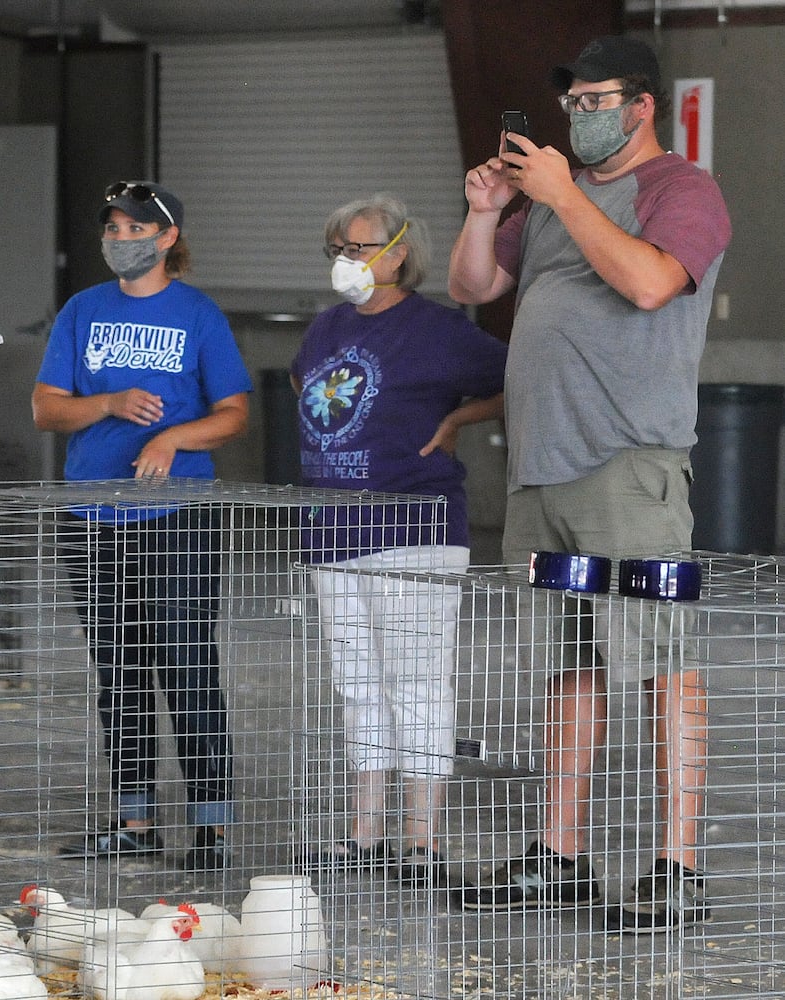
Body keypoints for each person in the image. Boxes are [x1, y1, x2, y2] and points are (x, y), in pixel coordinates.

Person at [447, 35, 731, 931]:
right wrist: (487, 209)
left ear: (643, 104)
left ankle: (678, 865)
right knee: (570, 663)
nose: (580, 116)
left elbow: (651, 285)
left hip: (627, 466)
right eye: (572, 103)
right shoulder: (545, 204)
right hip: (543, 471)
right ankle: (557, 856)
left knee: (661, 660)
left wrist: (565, 193)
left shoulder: (682, 191)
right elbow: (472, 283)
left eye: (597, 100)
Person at [31, 180, 252, 871]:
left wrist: (174, 439)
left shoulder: (198, 314)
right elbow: (45, 407)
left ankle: (210, 826)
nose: (121, 240)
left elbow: (235, 411)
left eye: (136, 230)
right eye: (113, 229)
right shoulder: (81, 310)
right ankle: (134, 819)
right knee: (117, 669)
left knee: (187, 665)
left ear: (167, 239)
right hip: (91, 514)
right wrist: (109, 405)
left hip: (173, 516)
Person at [292, 194, 506, 887]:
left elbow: (518, 376)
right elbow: (306, 384)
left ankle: (424, 840)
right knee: (357, 684)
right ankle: (365, 831)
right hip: (333, 529)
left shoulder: (438, 330)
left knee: (416, 682)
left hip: (414, 526)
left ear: (400, 252)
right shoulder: (326, 328)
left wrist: (457, 421)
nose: (348, 262)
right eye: (340, 250)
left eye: (359, 248)